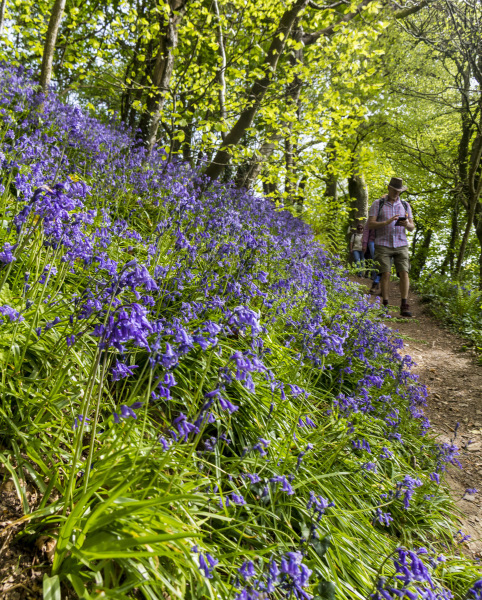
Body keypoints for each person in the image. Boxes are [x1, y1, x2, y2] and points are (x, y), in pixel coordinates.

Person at [367, 176, 415, 317]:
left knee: (404, 272)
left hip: (401, 243)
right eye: (394, 190)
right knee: (385, 273)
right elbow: (370, 224)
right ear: (388, 188)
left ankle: (404, 304)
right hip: (382, 244)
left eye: (398, 191)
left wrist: (407, 224)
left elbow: (412, 227)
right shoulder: (378, 204)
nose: (396, 193)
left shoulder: (405, 205)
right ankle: (385, 304)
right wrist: (386, 222)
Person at [362, 223, 381, 293]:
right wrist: (364, 243)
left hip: (385, 242)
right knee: (375, 260)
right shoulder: (372, 216)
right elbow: (366, 230)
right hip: (372, 241)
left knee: (383, 263)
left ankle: (380, 282)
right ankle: (375, 282)